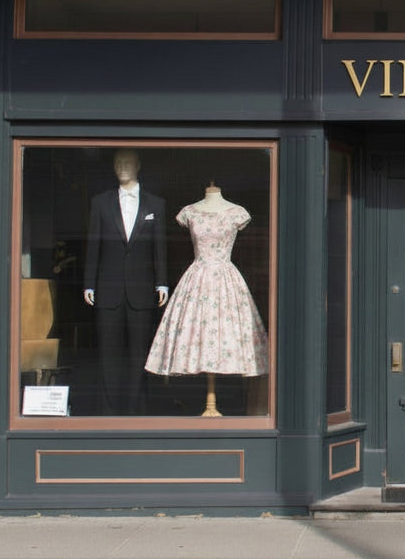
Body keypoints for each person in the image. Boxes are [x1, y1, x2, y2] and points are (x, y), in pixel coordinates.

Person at [144, 184, 268, 403]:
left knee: (227, 328)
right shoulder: (188, 212)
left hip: (226, 278)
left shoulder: (238, 213)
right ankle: (205, 395)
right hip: (197, 276)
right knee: (196, 330)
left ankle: (217, 398)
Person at [83, 149, 168, 415]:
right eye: (118, 162)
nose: (122, 166)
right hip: (107, 289)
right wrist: (89, 283)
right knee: (108, 356)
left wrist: (162, 282)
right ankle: (107, 414)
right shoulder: (100, 202)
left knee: (138, 356)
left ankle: (136, 413)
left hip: (142, 291)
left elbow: (160, 246)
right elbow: (93, 243)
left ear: (138, 165)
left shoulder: (156, 205)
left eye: (128, 162)